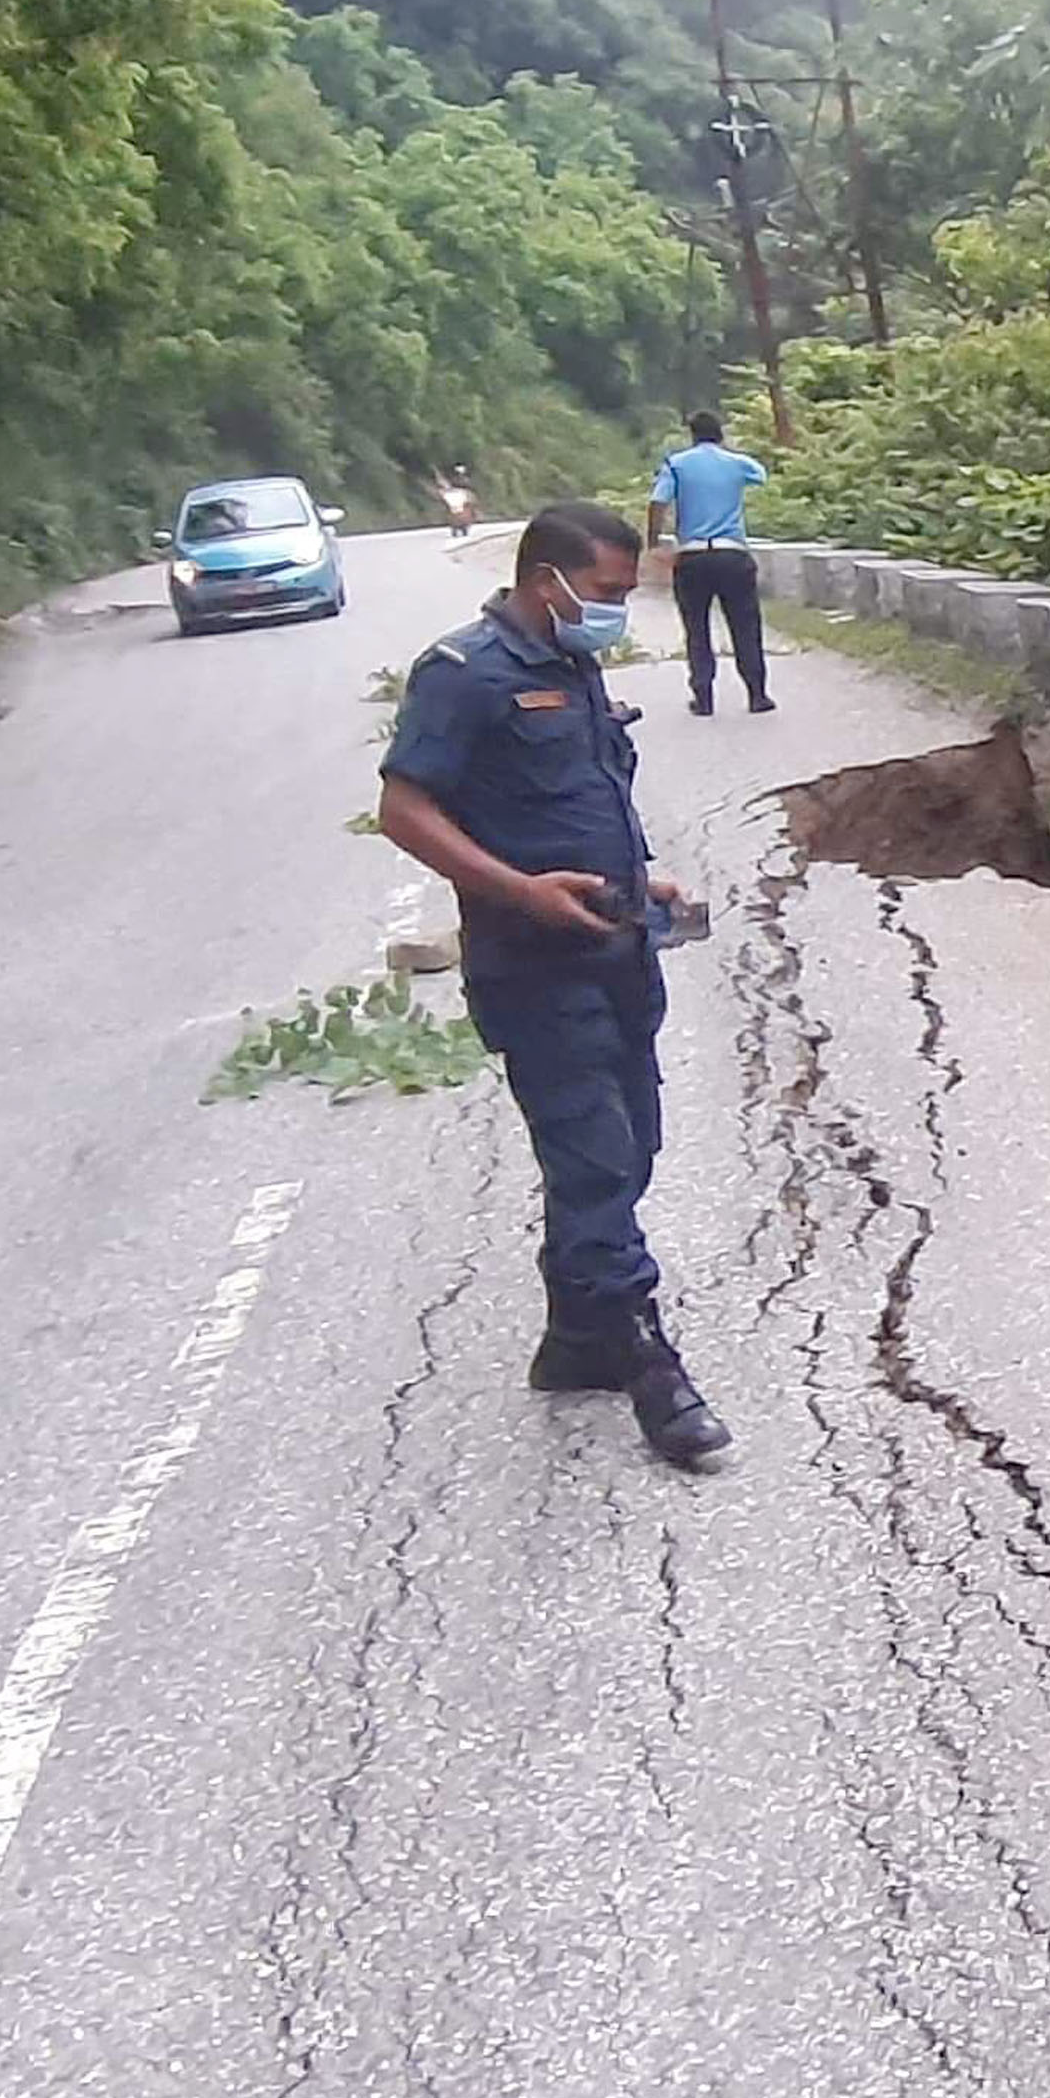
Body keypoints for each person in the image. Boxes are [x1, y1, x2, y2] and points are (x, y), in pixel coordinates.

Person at [374, 503, 732, 1466]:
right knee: (596, 1162)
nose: (619, 610)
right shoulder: (464, 677)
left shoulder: (572, 663)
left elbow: (587, 793)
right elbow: (404, 811)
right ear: (550, 583)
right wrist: (518, 893)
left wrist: (642, 873)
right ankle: (645, 1356)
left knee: (636, 1140)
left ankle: (576, 1339)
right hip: (533, 967)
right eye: (611, 593)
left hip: (618, 949)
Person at [647, 410, 774, 717]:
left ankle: (703, 697)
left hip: (692, 557)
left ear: (692, 434)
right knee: (745, 625)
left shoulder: (676, 464)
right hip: (732, 554)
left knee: (697, 628)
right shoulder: (737, 463)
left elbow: (657, 502)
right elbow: (761, 475)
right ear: (720, 434)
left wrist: (652, 540)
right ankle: (757, 694)